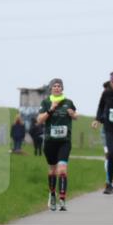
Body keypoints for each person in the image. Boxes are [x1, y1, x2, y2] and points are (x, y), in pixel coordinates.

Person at [37, 78, 78, 211]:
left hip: (64, 141)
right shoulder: (46, 102)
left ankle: (62, 199)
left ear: (62, 88)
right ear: (51, 88)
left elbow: (76, 116)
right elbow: (39, 120)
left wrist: (73, 114)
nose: (56, 88)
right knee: (52, 170)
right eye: (54, 86)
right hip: (50, 142)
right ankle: (52, 194)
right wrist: (50, 110)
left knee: (62, 170)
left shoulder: (68, 102)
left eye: (59, 86)